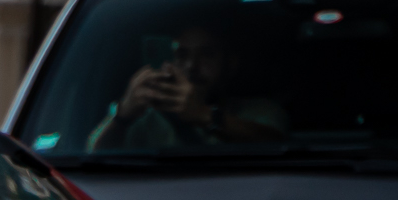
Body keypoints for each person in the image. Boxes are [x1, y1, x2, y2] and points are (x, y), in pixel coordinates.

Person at [87, 25, 288, 149]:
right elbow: (94, 155)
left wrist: (202, 114)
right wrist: (123, 114)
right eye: (182, 55)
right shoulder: (150, 122)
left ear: (231, 63)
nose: (192, 66)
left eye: (207, 54)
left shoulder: (259, 111)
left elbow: (276, 146)